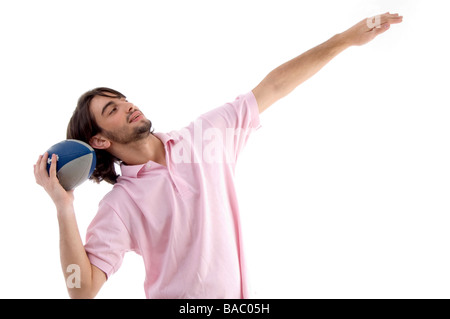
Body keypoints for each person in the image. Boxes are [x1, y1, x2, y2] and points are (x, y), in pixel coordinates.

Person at [34, 12, 403, 299]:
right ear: (99, 141)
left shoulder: (205, 138)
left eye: (122, 99)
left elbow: (273, 86)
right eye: (112, 110)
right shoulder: (120, 206)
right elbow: (81, 289)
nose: (128, 106)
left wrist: (345, 39)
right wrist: (63, 207)